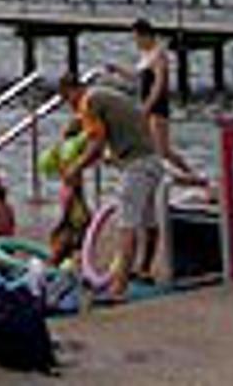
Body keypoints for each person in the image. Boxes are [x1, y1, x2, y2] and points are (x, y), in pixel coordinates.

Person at [57, 71, 163, 300]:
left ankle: (118, 289)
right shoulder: (104, 95)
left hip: (136, 165)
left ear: (71, 92)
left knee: (127, 225)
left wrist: (76, 168)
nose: (70, 106)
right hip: (153, 160)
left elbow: (96, 144)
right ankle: (144, 269)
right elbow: (104, 139)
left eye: (67, 100)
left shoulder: (89, 102)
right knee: (148, 219)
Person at [106, 18, 202, 184]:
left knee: (163, 150)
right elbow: (135, 76)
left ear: (146, 36)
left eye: (137, 39)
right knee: (150, 148)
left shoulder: (159, 55)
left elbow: (159, 83)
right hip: (146, 106)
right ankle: (177, 177)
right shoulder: (146, 55)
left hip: (157, 107)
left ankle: (191, 176)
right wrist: (116, 69)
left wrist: (148, 106)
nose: (136, 43)